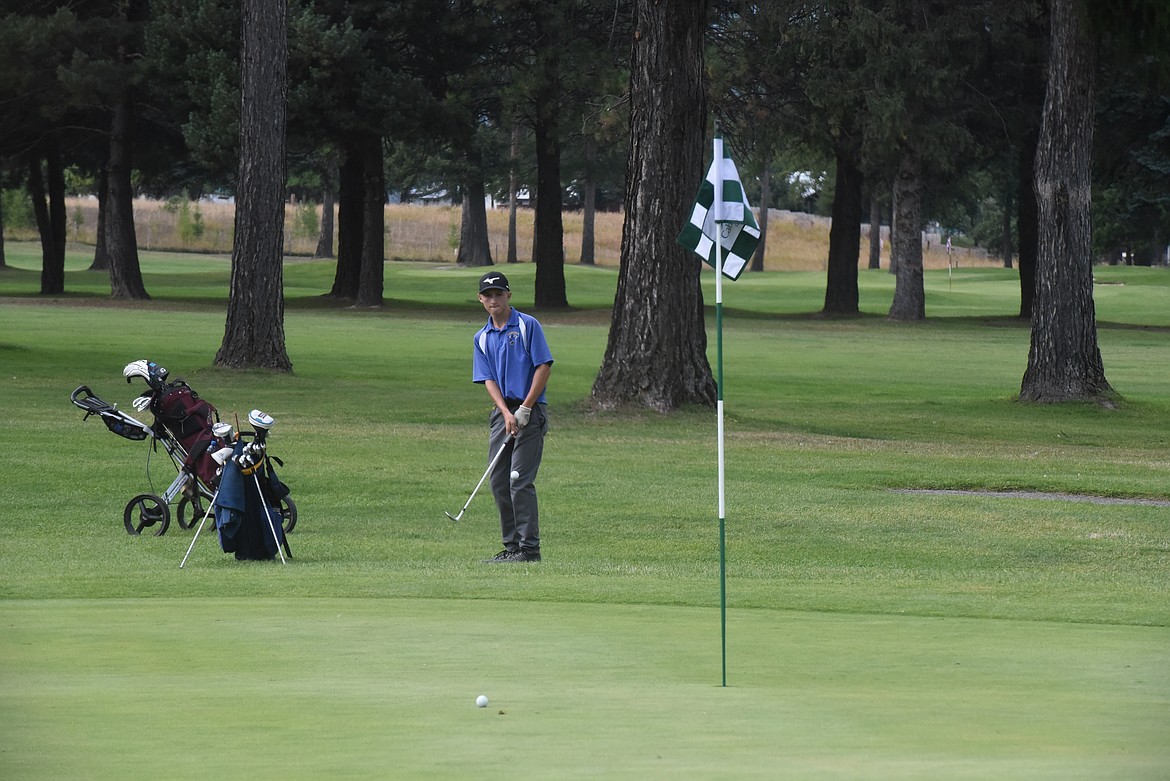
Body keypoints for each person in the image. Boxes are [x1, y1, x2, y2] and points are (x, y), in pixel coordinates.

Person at [471, 271, 553, 563]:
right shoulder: (482, 337)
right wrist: (506, 412)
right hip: (502, 412)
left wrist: (525, 409)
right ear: (481, 299)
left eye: (499, 294)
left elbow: (543, 366)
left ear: (508, 296)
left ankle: (529, 549)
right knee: (498, 480)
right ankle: (512, 548)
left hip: (531, 411)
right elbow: (488, 379)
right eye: (488, 295)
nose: (494, 300)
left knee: (519, 479)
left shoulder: (527, 325)